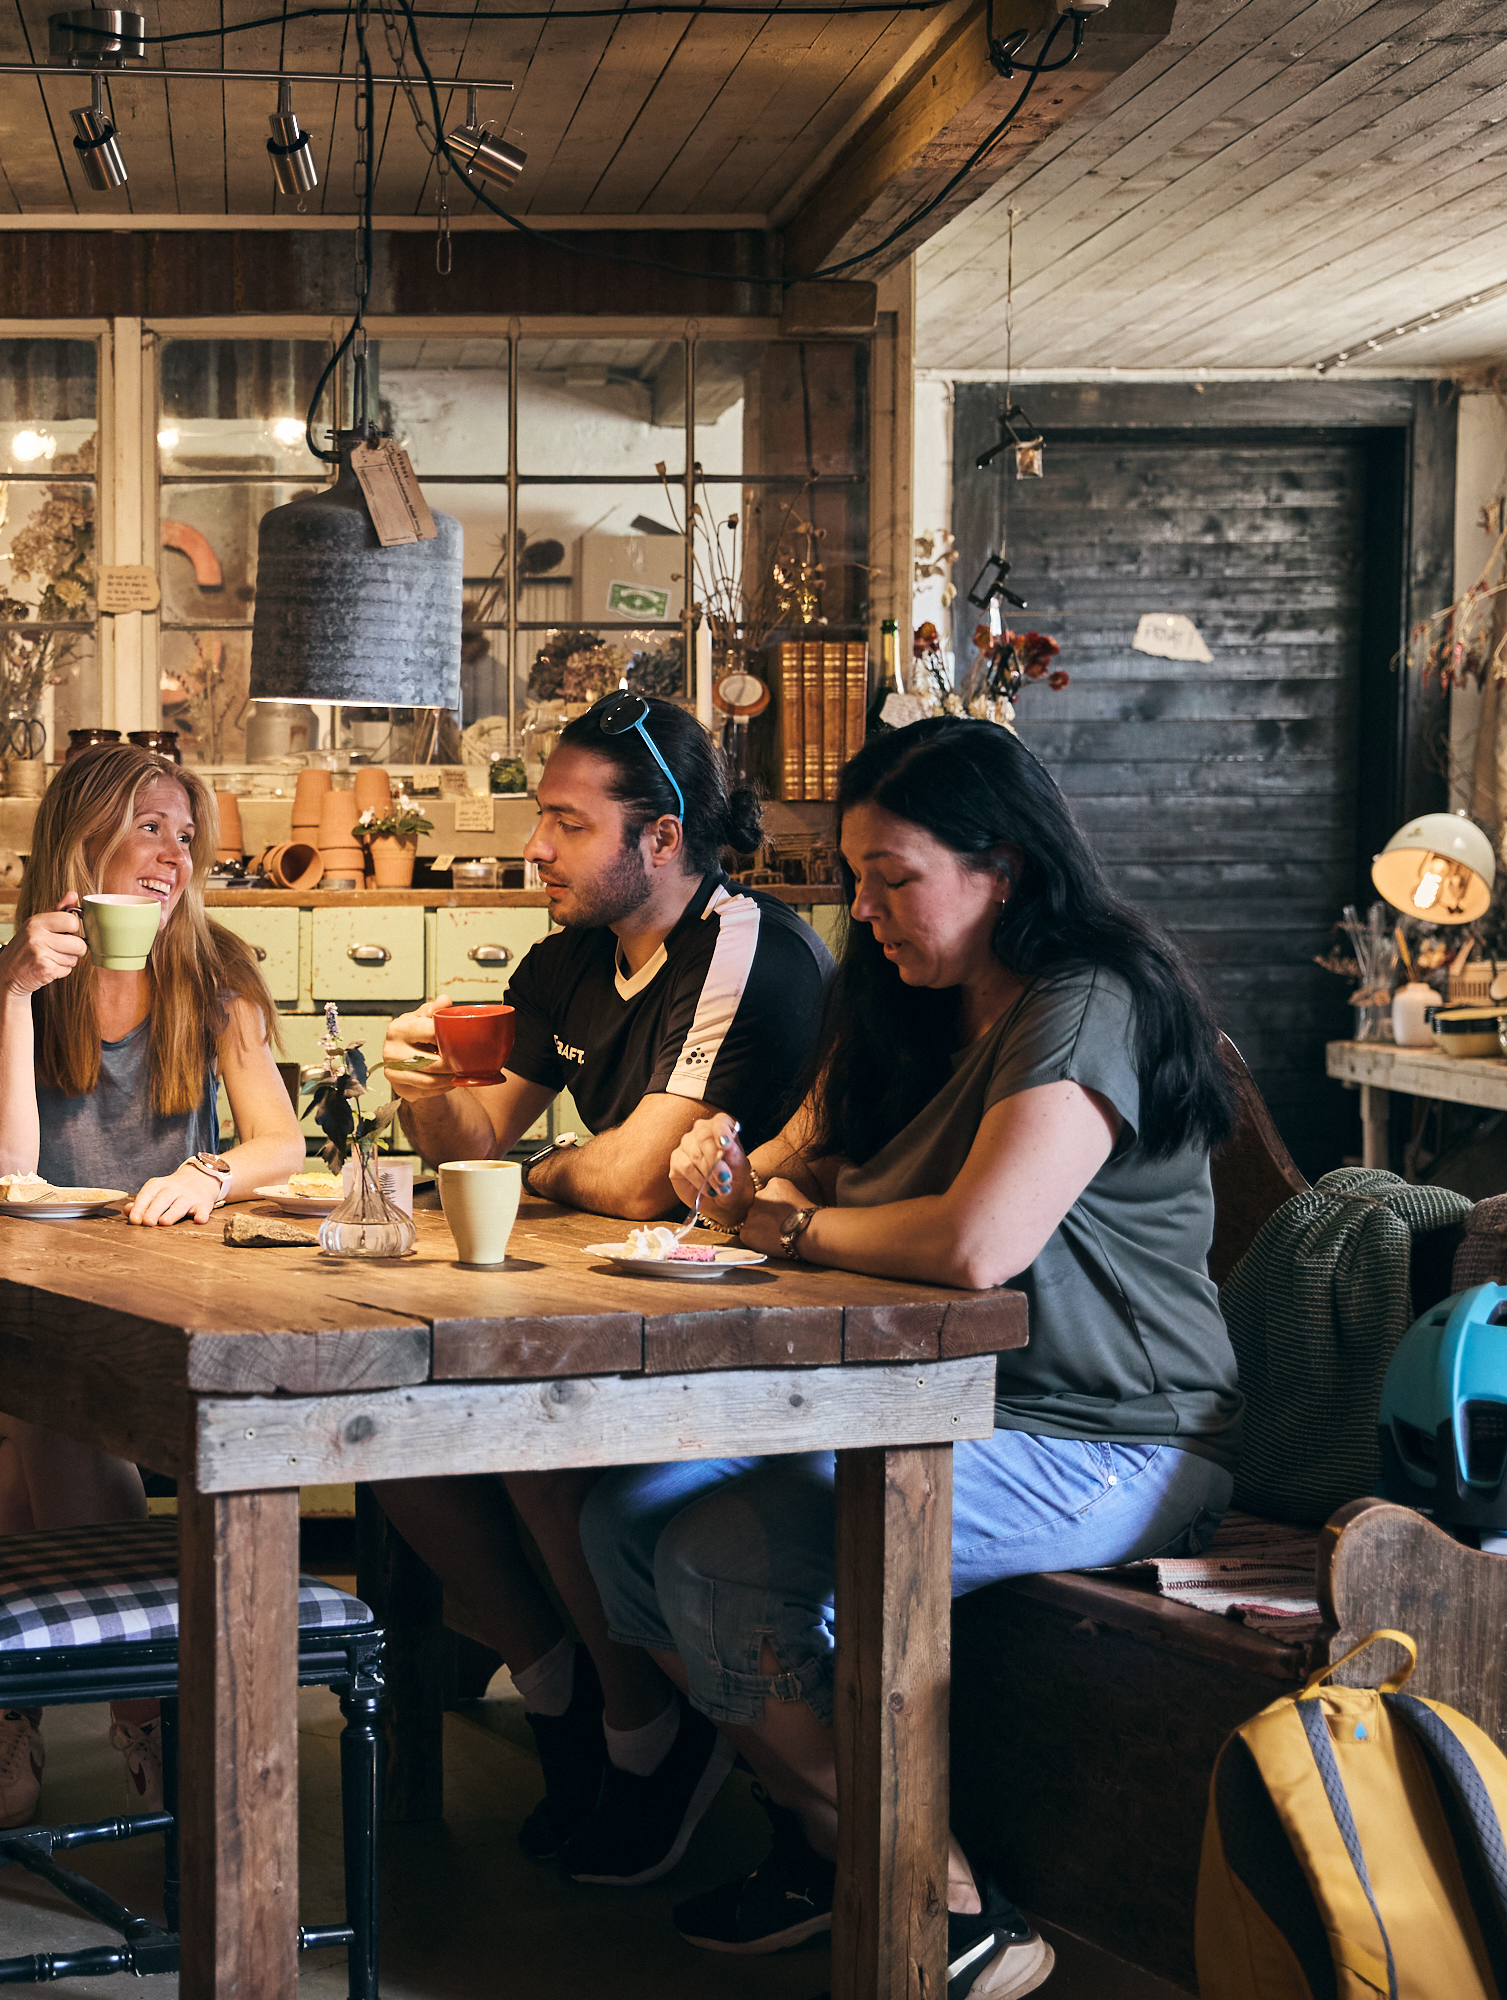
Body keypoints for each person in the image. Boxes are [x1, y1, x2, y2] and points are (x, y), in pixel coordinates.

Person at [589, 715, 1242, 1997]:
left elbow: (976, 1242)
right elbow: (783, 1164)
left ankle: (944, 1906)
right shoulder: (918, 996)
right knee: (625, 1519)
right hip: (933, 1410)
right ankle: (837, 1841)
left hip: (1108, 1434)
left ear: (1004, 864)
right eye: (856, 879)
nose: (868, 908)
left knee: (717, 1556)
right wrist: (723, 1167)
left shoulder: (1086, 1000)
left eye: (897, 877)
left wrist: (801, 1220)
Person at [373, 692, 833, 1886]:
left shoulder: (747, 949)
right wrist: (423, 1085)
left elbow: (634, 1182)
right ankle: (558, 1683)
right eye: (543, 818)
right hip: (631, 1308)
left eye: (568, 824)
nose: (536, 848)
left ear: (663, 839)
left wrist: (535, 1168)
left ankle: (645, 1731)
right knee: (392, 1441)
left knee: (534, 1436)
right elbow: (482, 1131)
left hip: (770, 1344)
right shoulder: (570, 954)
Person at [0, 743, 309, 1828]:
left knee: (38, 1451)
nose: (174, 855)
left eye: (185, 834)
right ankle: (148, 1712)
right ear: (82, 838)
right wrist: (16, 987)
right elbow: (0, 1164)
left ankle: (7, 1704)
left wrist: (206, 1171)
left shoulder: (216, 971)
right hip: (13, 1326)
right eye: (150, 826)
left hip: (154, 1314)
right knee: (57, 1417)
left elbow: (279, 1142)